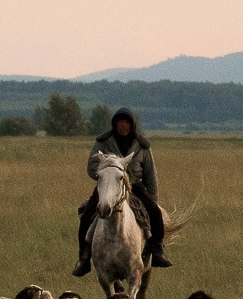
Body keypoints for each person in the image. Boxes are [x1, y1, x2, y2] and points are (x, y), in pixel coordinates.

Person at [72, 107, 171, 276]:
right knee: (88, 214)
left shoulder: (142, 145)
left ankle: (157, 251)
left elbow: (150, 174)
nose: (123, 126)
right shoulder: (103, 141)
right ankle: (84, 258)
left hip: (135, 187)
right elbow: (91, 166)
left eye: (127, 122)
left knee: (155, 212)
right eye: (120, 122)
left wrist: (153, 198)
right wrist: (107, 173)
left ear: (132, 125)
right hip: (108, 186)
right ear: (115, 124)